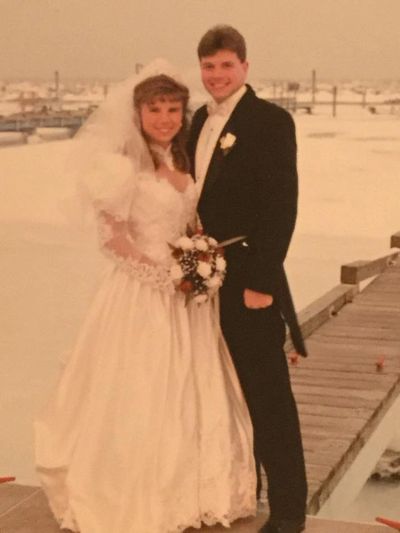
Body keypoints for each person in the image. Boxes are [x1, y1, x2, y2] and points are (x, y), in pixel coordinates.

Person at [34, 60, 257, 533]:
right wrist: (166, 276)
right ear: (137, 113)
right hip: (139, 294)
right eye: (155, 109)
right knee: (139, 391)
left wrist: (199, 264)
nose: (165, 118)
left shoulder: (185, 158)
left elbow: (191, 222)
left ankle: (195, 491)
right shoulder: (122, 166)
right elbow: (112, 240)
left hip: (187, 299)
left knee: (191, 392)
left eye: (173, 108)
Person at [187, 26, 308, 533]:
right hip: (199, 279)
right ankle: (235, 490)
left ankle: (287, 510)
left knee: (266, 392)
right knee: (216, 390)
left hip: (247, 280)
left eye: (226, 66)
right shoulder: (197, 119)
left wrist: (259, 281)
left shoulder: (270, 121)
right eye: (208, 66)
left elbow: (281, 207)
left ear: (245, 67)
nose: (216, 75)